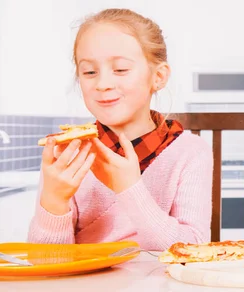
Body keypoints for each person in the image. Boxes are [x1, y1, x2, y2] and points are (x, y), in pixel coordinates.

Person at [27, 8, 213, 251]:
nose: (103, 84)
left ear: (158, 77)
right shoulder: (67, 154)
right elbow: (46, 260)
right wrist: (53, 200)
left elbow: (193, 251)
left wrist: (130, 189)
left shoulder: (190, 152)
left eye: (121, 69)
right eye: (90, 72)